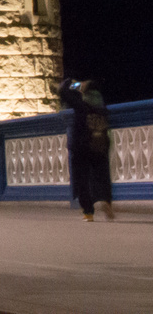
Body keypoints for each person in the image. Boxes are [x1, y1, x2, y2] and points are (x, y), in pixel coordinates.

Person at [58, 79, 114, 221]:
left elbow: (63, 91)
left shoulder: (82, 106)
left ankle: (88, 212)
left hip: (81, 146)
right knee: (102, 176)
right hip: (100, 144)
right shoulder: (102, 109)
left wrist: (73, 84)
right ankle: (107, 201)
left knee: (81, 179)